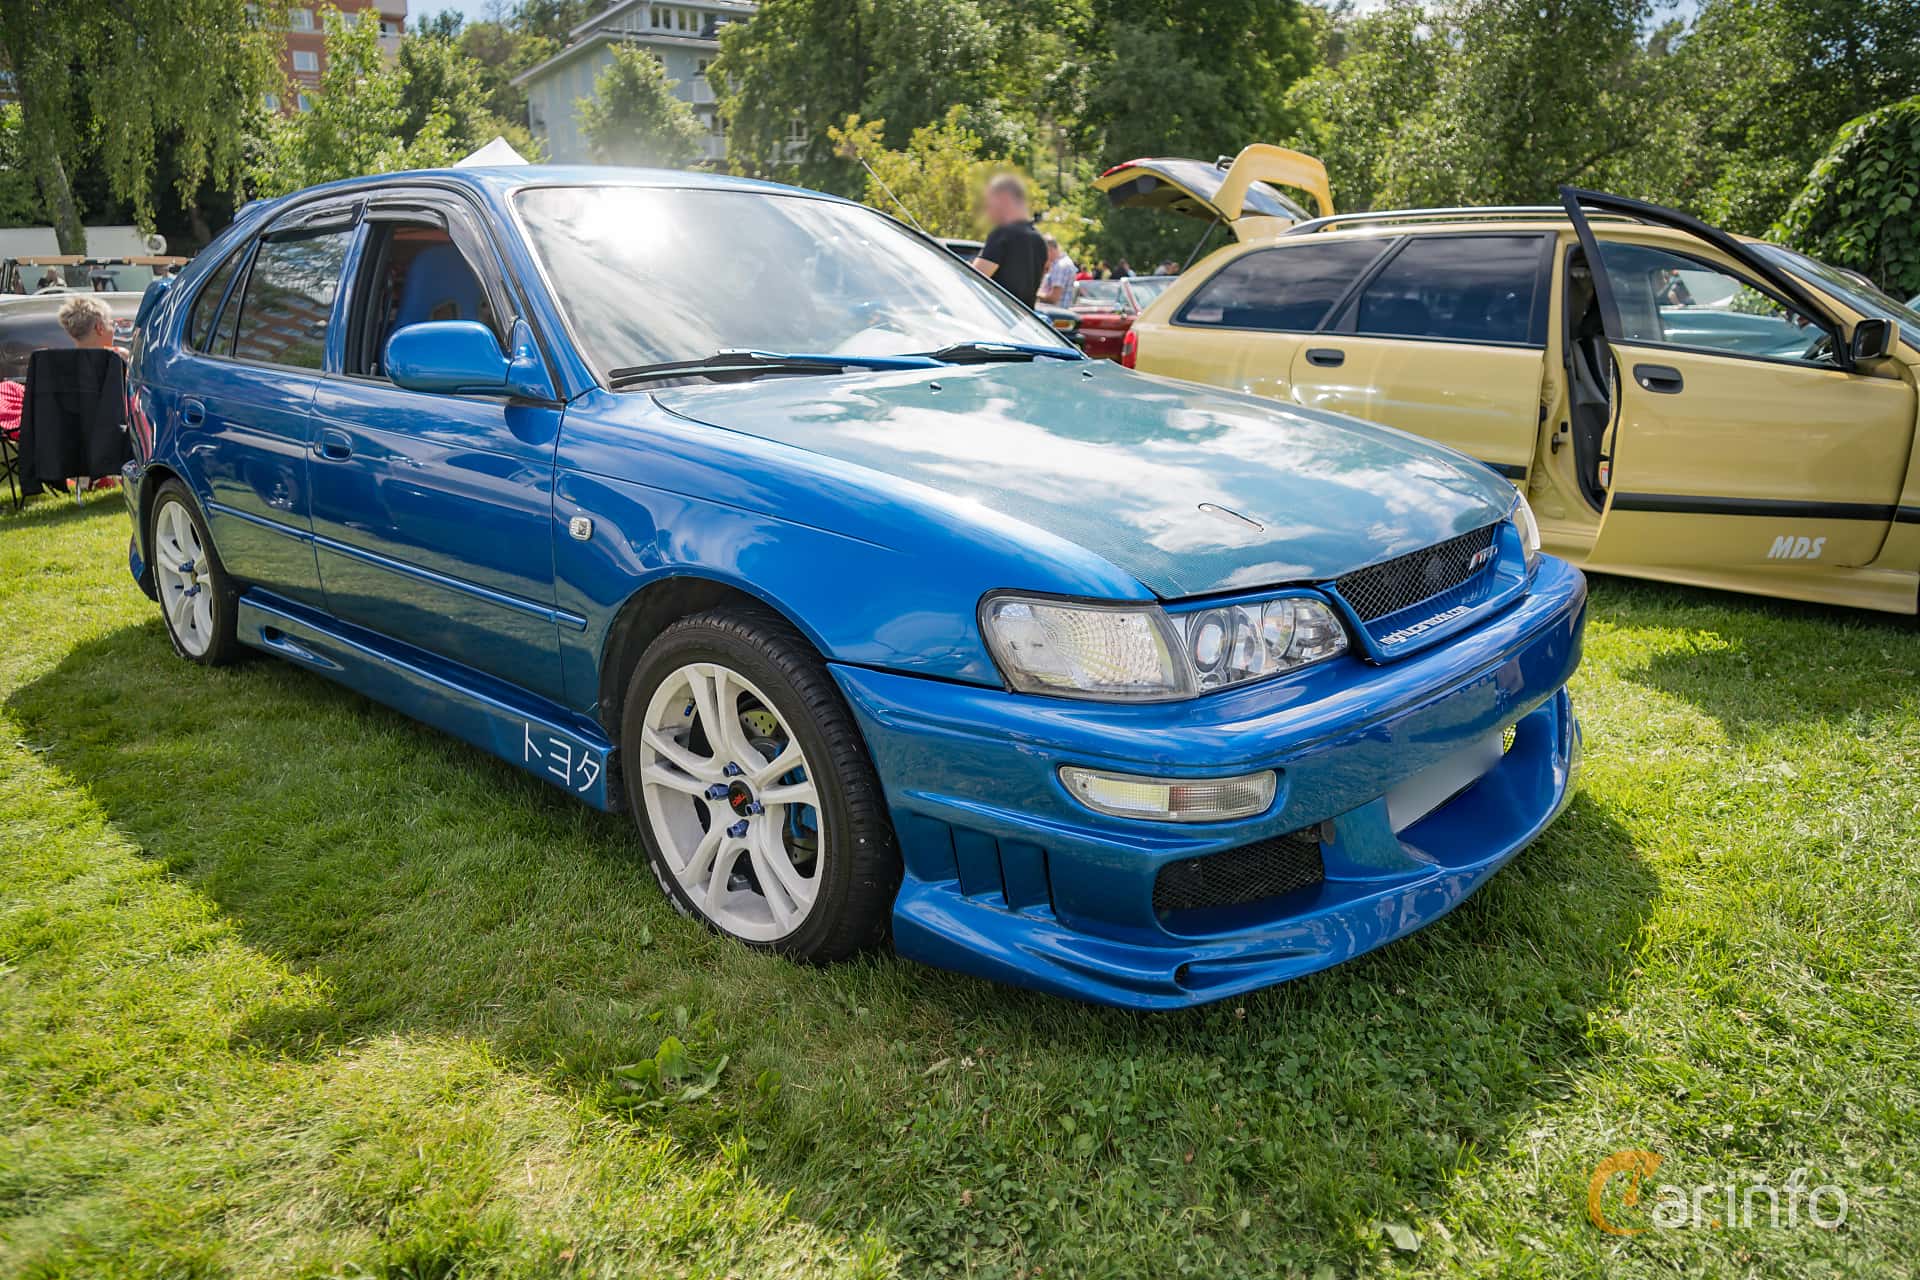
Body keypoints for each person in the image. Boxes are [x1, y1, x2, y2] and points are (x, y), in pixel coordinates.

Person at [970, 173, 1047, 308]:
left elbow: (975, 277)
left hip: (998, 318)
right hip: (1025, 321)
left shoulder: (1003, 234)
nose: (988, 210)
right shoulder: (1039, 240)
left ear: (1004, 199)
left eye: (990, 202)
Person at [1038, 235, 1077, 307]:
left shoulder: (1060, 266)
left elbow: (1053, 298)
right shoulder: (1063, 263)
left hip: (1054, 313)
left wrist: (1034, 294)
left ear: (1049, 249)